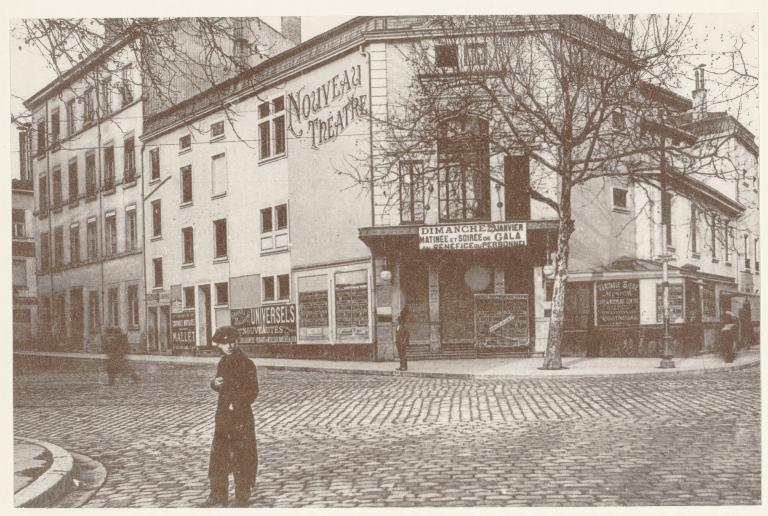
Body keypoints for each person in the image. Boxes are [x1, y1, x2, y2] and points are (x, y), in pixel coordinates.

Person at [202, 325, 259, 508]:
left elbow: (253, 391)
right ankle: (218, 495)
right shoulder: (223, 362)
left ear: (237, 341)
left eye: (232, 342)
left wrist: (238, 402)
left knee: (242, 456)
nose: (230, 346)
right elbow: (219, 383)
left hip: (241, 417)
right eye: (225, 343)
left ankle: (242, 496)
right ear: (219, 345)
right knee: (219, 455)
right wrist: (214, 383)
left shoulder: (247, 364)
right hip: (224, 417)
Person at [395, 306, 409, 371]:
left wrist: (404, 341)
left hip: (402, 342)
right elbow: (397, 334)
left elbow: (407, 334)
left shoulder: (403, 326)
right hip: (398, 342)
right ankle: (401, 366)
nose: (397, 321)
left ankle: (405, 367)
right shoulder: (398, 326)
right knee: (400, 355)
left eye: (398, 320)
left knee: (403, 354)